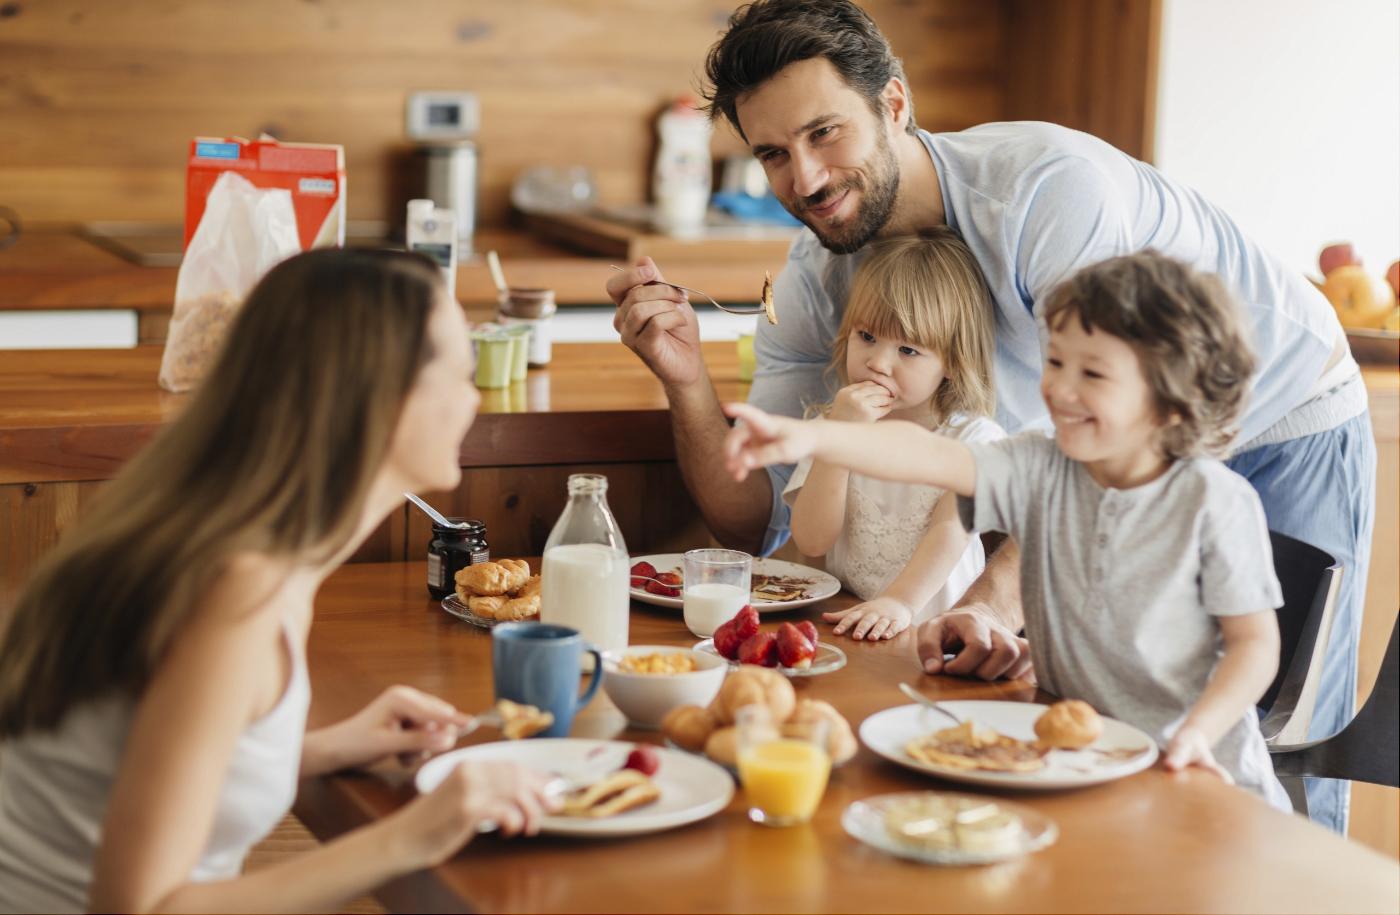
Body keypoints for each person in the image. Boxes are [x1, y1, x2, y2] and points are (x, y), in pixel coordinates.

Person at [606, 0, 1372, 830]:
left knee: (1279, 741)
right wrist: (689, 383)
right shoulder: (824, 274)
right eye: (773, 154)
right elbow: (765, 507)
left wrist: (987, 602)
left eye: (825, 133)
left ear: (894, 104)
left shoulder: (1047, 197)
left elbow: (1096, 438)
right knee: (1111, 715)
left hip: (1280, 416)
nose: (806, 179)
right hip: (1095, 465)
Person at [0, 249, 558, 914]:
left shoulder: (222, 536)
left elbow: (138, 763)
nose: (475, 397)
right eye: (461, 371)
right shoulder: (235, 594)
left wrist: (318, 748)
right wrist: (412, 836)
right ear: (380, 398)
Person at [725, 252, 1291, 809]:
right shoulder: (1041, 466)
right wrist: (815, 439)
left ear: (1174, 401)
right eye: (1057, 363)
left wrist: (1199, 731)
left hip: (1198, 773)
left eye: (1091, 373)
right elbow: (926, 455)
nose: (1060, 390)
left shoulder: (1213, 503)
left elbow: (1255, 645)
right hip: (1075, 756)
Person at [784, 229, 1004, 641]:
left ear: (953, 362)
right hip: (848, 625)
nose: (878, 363)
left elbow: (949, 531)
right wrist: (842, 437)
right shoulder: (828, 426)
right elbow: (812, 540)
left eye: (908, 350)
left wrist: (900, 602)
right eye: (866, 337)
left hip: (933, 633)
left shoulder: (972, 439)